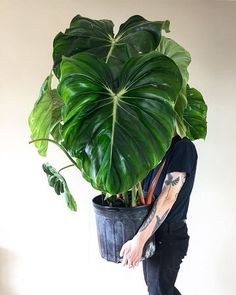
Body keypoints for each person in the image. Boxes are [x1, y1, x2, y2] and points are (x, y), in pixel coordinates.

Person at [120, 134, 198, 295]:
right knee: (158, 290)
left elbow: (168, 197)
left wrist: (139, 241)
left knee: (159, 291)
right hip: (153, 234)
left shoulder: (182, 147)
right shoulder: (155, 152)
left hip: (168, 235)